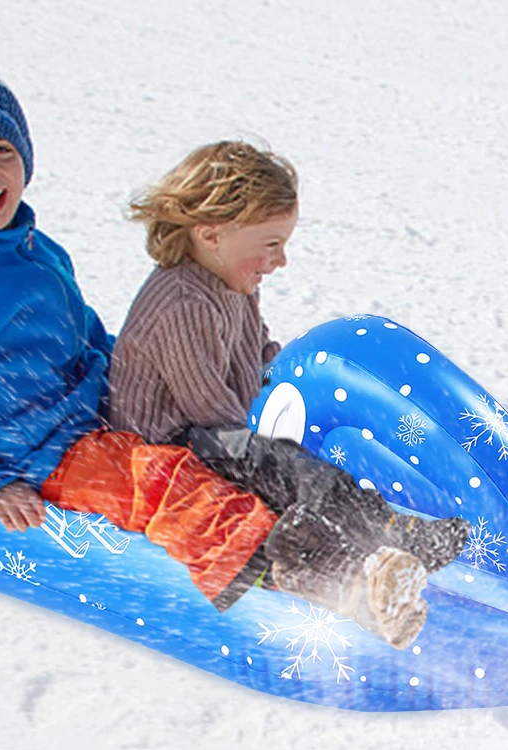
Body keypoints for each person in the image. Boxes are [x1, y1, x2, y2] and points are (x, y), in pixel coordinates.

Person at [0, 61, 426, 646]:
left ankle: (378, 540)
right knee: (170, 485)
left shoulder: (33, 247)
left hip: (90, 422)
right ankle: (337, 584)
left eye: (0, 149)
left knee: (228, 459)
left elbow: (79, 331)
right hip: (36, 451)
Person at [109, 141, 472, 643]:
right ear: (212, 234)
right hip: (167, 451)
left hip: (214, 430)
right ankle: (353, 571)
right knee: (285, 467)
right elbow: (210, 411)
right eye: (270, 244)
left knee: (298, 457)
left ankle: (387, 535)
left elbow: (259, 352)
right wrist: (274, 447)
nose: (280, 261)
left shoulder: (232, 280)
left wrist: (294, 387)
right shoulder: (182, 302)